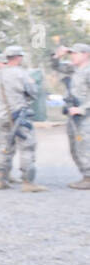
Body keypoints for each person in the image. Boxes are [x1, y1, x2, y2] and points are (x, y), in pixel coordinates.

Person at [0, 45, 45, 191]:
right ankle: (28, 182)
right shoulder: (22, 74)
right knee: (27, 147)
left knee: (3, 147)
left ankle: (0, 179)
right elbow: (33, 92)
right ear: (19, 58)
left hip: (1, 117)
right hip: (20, 116)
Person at [52, 43, 90, 189]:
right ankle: (85, 175)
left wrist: (82, 108)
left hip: (86, 116)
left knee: (84, 146)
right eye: (71, 53)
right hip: (74, 115)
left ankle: (88, 178)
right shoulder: (73, 69)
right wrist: (57, 56)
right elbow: (56, 67)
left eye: (75, 53)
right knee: (74, 147)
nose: (72, 56)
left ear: (85, 54)